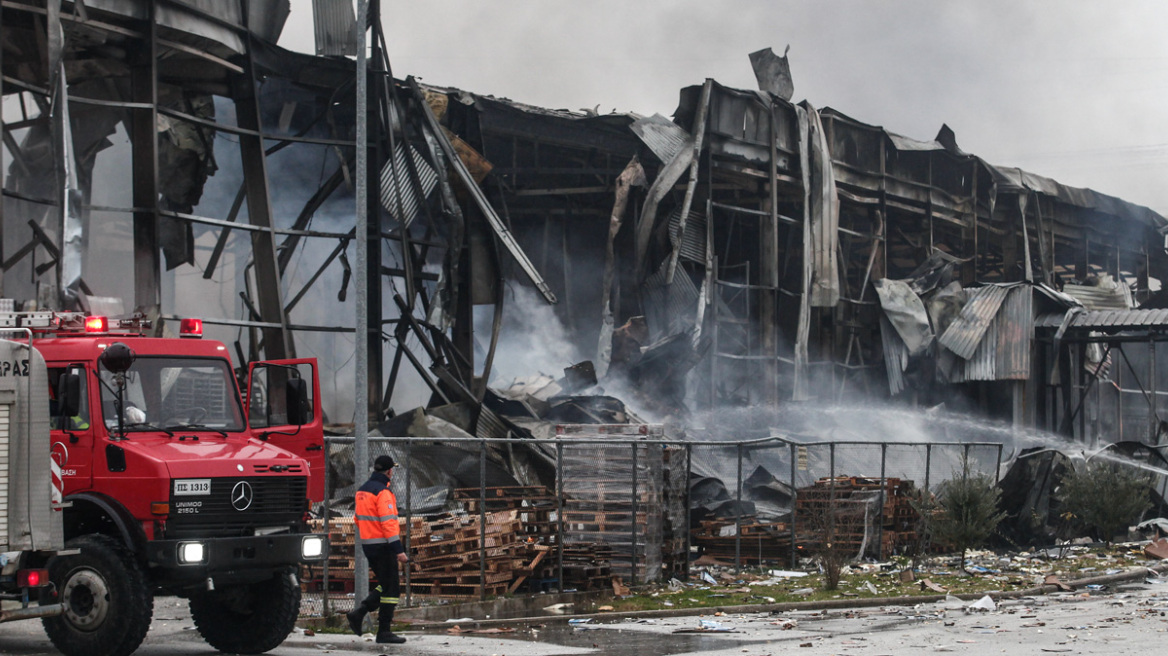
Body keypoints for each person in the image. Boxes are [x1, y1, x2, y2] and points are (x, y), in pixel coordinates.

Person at [347, 454, 409, 644]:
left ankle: (361, 613)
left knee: (386, 583)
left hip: (369, 545)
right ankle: (382, 630)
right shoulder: (383, 493)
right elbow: (388, 523)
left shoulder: (362, 491)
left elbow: (358, 519)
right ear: (389, 471)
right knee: (391, 589)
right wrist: (398, 550)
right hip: (384, 546)